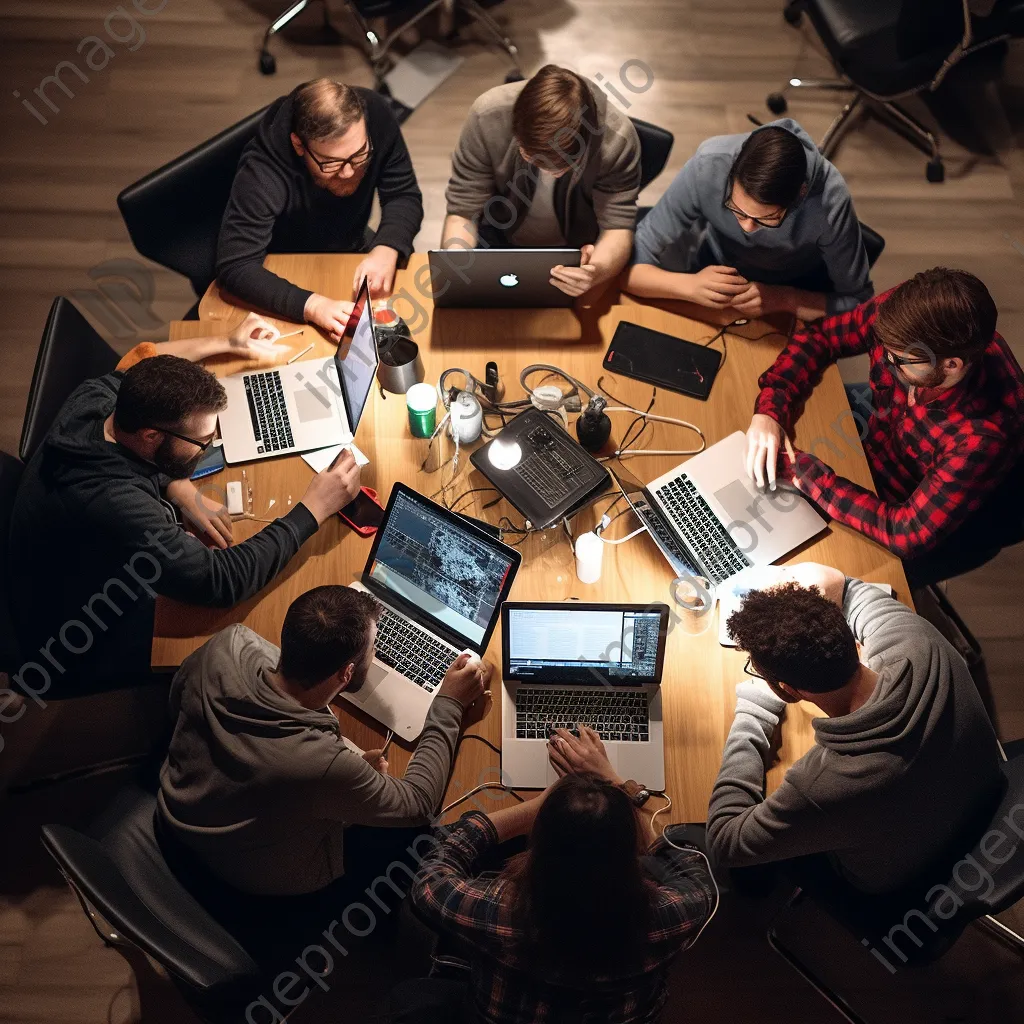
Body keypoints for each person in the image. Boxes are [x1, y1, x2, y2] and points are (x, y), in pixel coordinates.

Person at [9, 314, 362, 695]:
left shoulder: (100, 399)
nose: (209, 447)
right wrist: (313, 507)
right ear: (151, 436)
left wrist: (176, 483)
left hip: (54, 554)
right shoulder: (113, 503)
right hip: (73, 626)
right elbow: (221, 580)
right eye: (202, 441)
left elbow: (144, 357)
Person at [158, 585, 493, 896]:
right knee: (419, 837)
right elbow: (418, 802)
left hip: (178, 815)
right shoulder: (322, 764)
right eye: (375, 647)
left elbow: (176, 704)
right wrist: (449, 702)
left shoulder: (228, 644)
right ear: (346, 674)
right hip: (246, 878)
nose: (376, 651)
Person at [707, 563, 1003, 894]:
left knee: (749, 878)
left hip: (909, 882)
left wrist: (754, 708)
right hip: (988, 805)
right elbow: (839, 581)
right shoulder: (918, 639)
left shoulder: (821, 784)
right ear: (848, 634)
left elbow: (724, 842)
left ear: (785, 690)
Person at [395, 739, 716, 1024]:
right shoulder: (669, 916)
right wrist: (620, 786)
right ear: (633, 852)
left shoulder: (496, 911)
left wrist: (531, 810)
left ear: (536, 844)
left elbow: (430, 878)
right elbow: (684, 862)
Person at [744, 267, 1024, 586]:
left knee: (822, 582)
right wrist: (771, 409)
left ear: (951, 365)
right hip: (881, 442)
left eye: (899, 360)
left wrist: (805, 473)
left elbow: (905, 534)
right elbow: (821, 335)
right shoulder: (906, 314)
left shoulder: (982, 437)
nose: (885, 361)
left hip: (926, 514)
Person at [216, 77, 423, 339]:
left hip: (351, 243)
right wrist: (313, 306)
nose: (349, 172)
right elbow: (236, 265)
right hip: (284, 266)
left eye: (360, 155)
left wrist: (387, 247)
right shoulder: (262, 174)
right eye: (331, 163)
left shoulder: (376, 117)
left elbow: (402, 193)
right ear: (299, 145)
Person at [626, 119, 873, 320]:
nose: (747, 228)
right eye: (737, 210)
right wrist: (689, 285)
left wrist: (784, 299)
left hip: (789, 289)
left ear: (800, 194)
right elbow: (636, 256)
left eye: (767, 219)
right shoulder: (710, 164)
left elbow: (861, 303)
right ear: (731, 173)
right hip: (711, 264)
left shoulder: (830, 203)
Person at [441, 64, 641, 300]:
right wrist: (455, 264)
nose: (552, 173)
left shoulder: (617, 140)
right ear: (516, 130)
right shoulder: (488, 117)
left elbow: (617, 227)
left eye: (564, 166)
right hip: (497, 237)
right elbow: (463, 211)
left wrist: (594, 272)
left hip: (576, 249)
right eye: (531, 157)